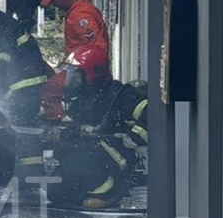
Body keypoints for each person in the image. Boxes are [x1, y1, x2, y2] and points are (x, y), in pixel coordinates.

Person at [39, 45, 148, 209]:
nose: (69, 78)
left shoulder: (120, 95)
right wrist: (59, 132)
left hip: (116, 158)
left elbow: (150, 112)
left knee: (81, 155)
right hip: (91, 155)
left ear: (91, 73)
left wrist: (133, 137)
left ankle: (109, 192)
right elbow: (79, 128)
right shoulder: (82, 98)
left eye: (74, 74)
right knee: (55, 189)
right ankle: (87, 190)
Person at [39, 0, 111, 121]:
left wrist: (89, 76)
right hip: (82, 70)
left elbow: (95, 48)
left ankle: (60, 123)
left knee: (51, 89)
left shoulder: (80, 15)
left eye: (54, 0)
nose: (54, 5)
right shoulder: (79, 11)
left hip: (84, 71)